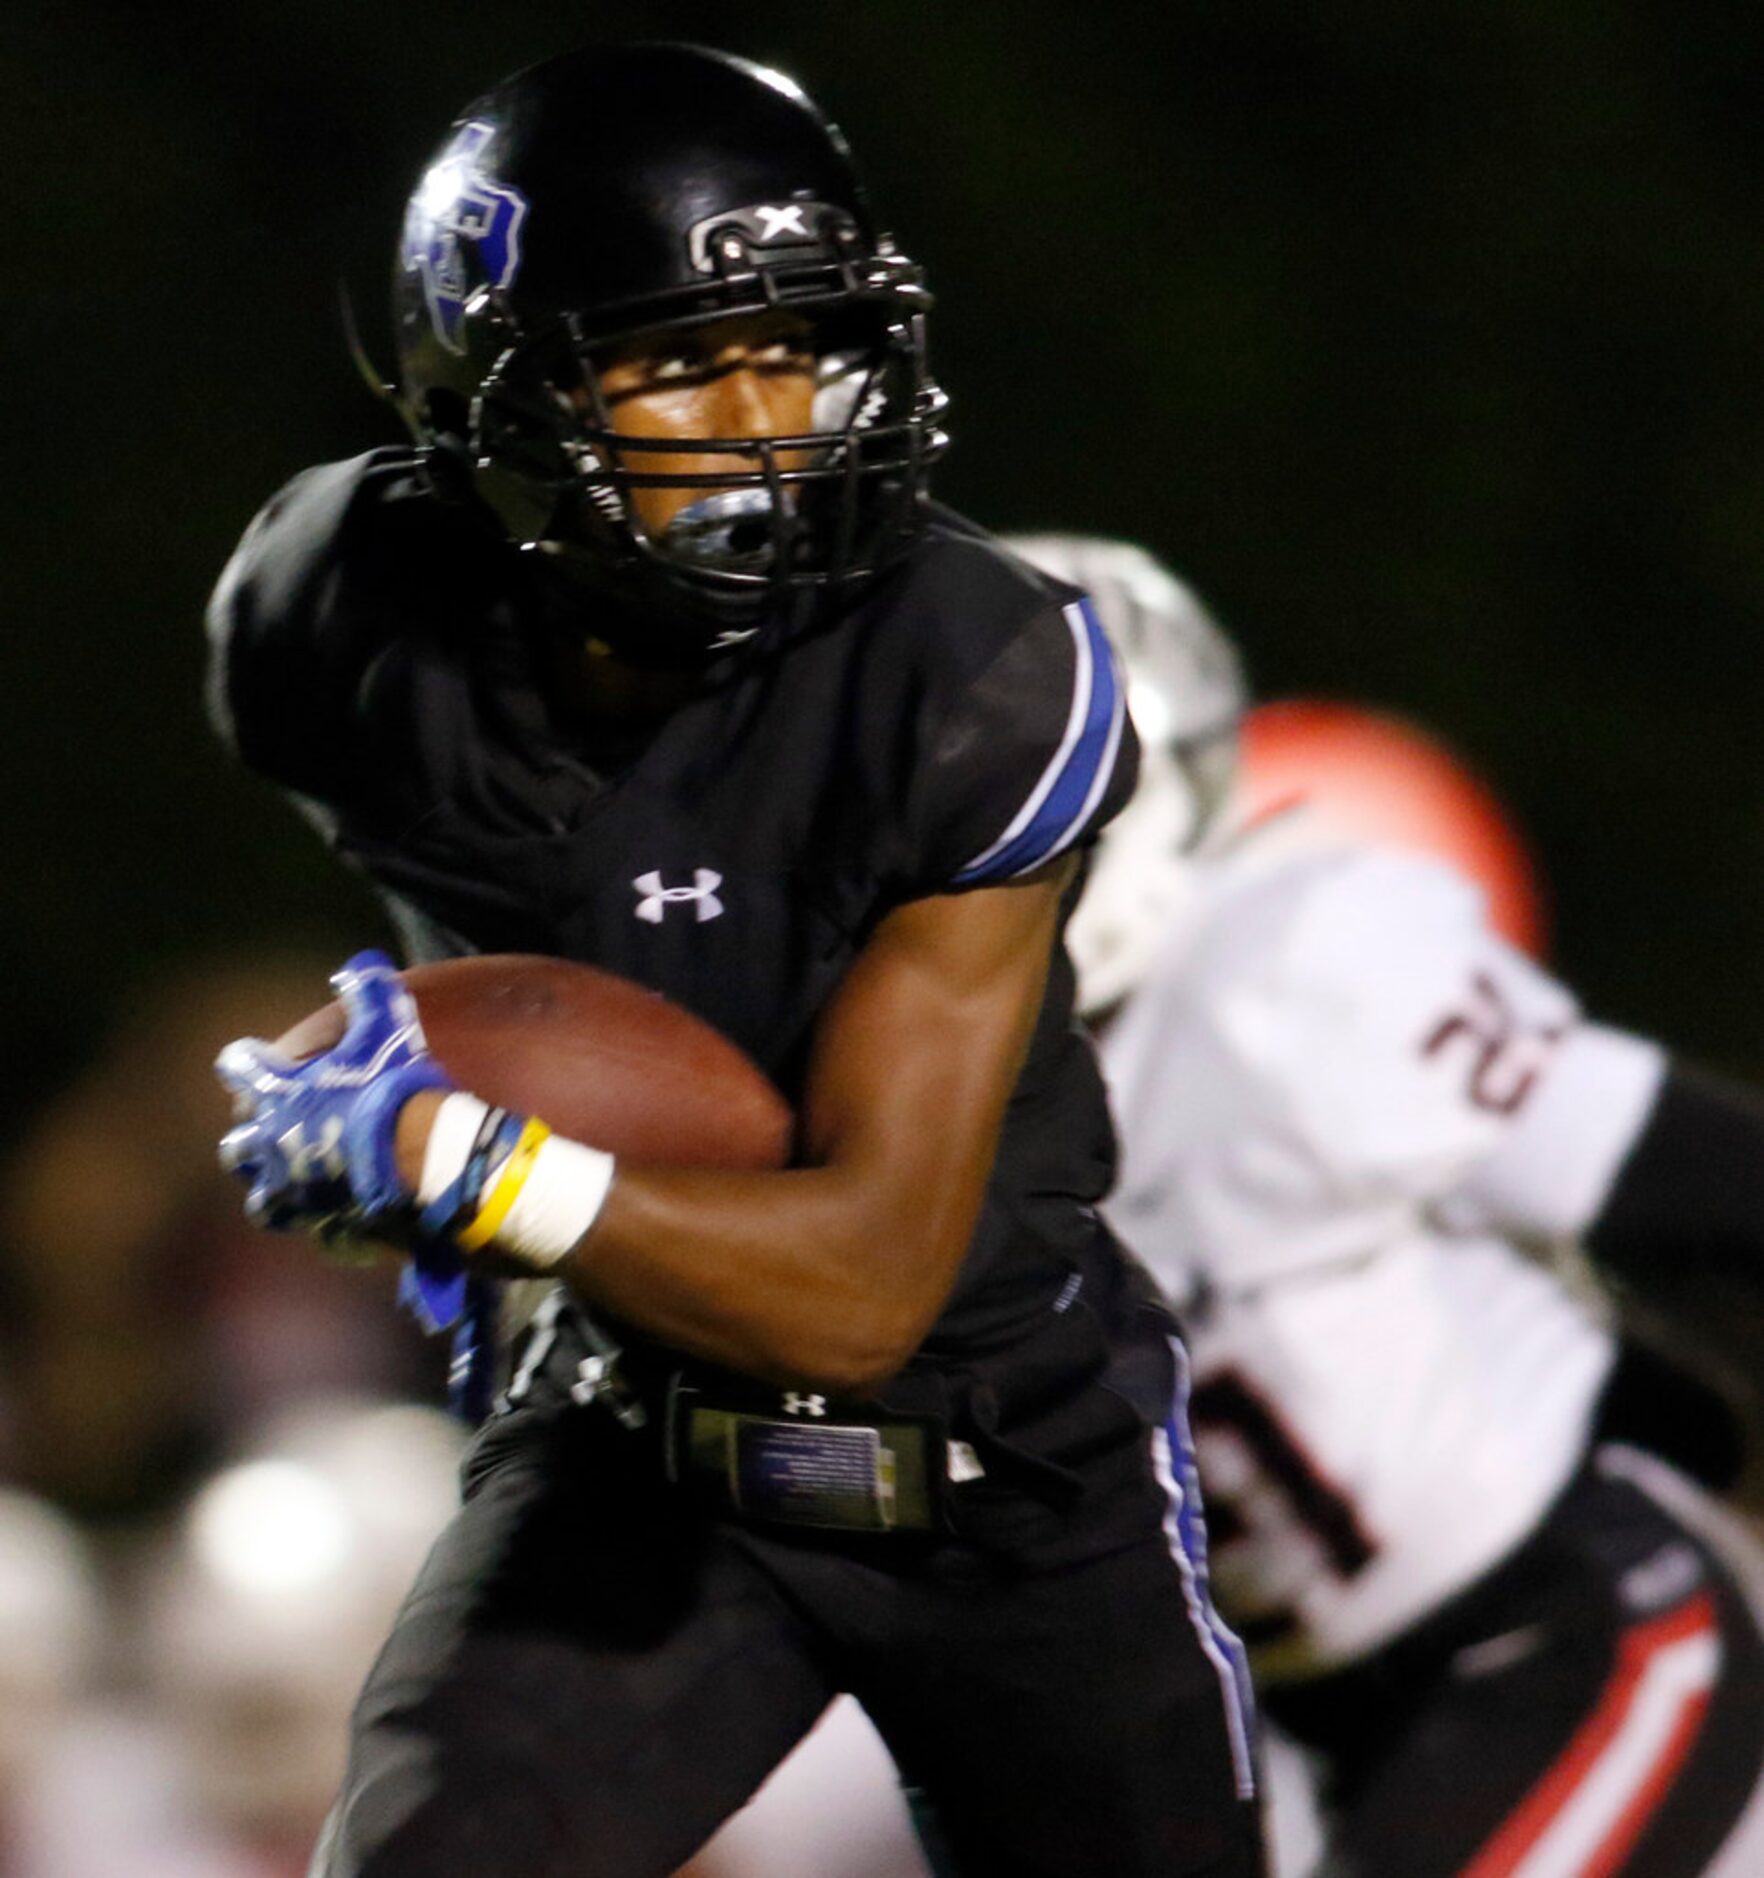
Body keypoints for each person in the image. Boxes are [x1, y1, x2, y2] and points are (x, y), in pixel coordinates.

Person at [203, 45, 1262, 1878]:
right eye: (689, 361)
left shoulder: (974, 677)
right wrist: (398, 1061)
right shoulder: (335, 619)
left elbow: (863, 1291)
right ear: (489, 398)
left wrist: (463, 1156)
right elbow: (522, 961)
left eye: (806, 343)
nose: (780, 413)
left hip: (1006, 1464)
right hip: (645, 1435)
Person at [1007, 532, 1764, 1875]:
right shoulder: (936, 1118)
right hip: (1346, 1726)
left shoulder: (1281, 975)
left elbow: (1692, 1175)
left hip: (1575, 1629)